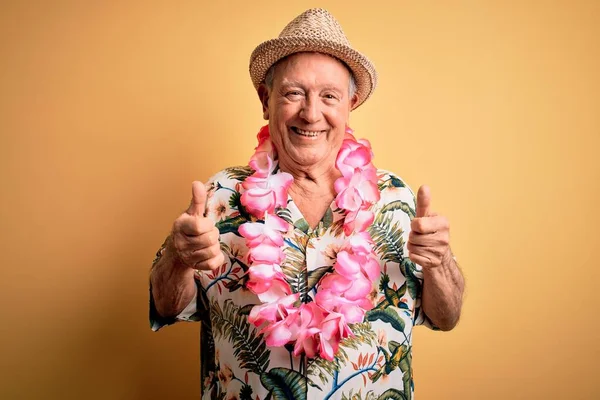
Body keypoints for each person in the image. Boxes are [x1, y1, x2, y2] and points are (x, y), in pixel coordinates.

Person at [150, 8, 464, 400]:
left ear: (350, 105)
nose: (311, 113)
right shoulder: (219, 197)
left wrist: (441, 261)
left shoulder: (397, 200)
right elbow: (165, 305)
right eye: (293, 93)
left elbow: (446, 317)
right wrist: (178, 257)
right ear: (266, 101)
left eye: (329, 96)